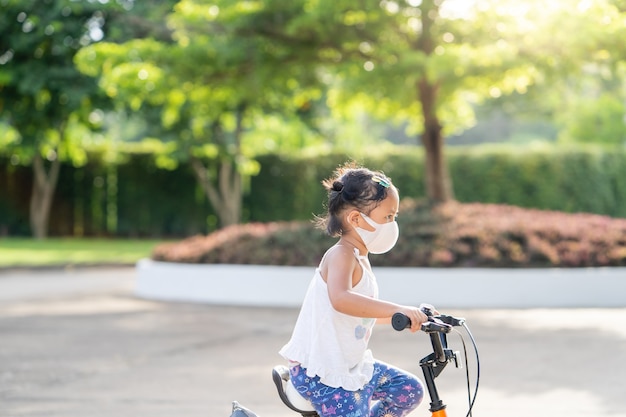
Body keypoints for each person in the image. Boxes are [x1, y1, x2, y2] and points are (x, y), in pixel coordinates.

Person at [279, 162, 430, 417]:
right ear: (356, 219)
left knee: (408, 390)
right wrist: (398, 308)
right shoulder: (342, 254)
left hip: (350, 366)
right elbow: (341, 299)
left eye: (395, 217)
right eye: (388, 217)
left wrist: (405, 318)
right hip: (322, 372)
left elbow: (360, 314)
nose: (393, 224)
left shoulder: (360, 257)